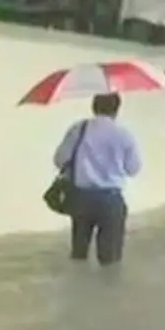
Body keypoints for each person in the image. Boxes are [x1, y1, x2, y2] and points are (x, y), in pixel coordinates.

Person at [52, 93, 142, 267]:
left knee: (79, 256)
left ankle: (78, 289)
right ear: (117, 109)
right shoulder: (124, 135)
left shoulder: (78, 129)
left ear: (93, 107)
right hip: (111, 198)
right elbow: (133, 169)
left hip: (80, 198)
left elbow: (59, 160)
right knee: (110, 261)